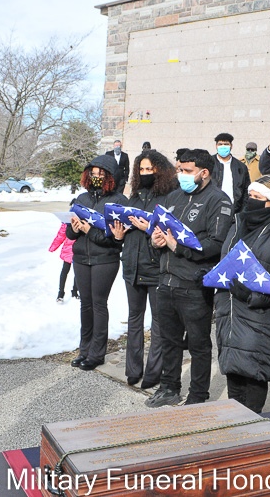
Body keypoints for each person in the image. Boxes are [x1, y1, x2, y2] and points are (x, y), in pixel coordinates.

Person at [146, 149, 233, 407]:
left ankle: (198, 394)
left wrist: (178, 247)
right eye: (179, 170)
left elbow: (216, 243)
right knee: (169, 341)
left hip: (193, 285)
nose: (181, 175)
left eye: (187, 171)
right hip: (166, 281)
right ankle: (169, 387)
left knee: (198, 345)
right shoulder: (174, 197)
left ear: (203, 173)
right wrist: (155, 241)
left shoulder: (218, 200)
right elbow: (161, 231)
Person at [214, 176, 270, 412]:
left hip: (260, 317)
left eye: (258, 198)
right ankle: (236, 429)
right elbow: (226, 260)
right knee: (234, 379)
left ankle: (252, 429)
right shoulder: (238, 223)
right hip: (230, 314)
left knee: (253, 379)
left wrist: (251, 295)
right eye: (250, 196)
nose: (251, 202)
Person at [109, 150, 177, 389]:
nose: (145, 173)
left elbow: (171, 234)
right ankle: (133, 369)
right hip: (132, 265)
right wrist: (119, 236)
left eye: (150, 169)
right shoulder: (134, 197)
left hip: (156, 266)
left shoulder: (168, 197)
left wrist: (148, 228)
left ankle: (153, 372)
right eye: (142, 169)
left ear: (160, 170)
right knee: (134, 318)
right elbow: (124, 230)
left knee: (158, 321)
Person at [66, 155, 127, 371]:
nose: (96, 176)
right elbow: (69, 234)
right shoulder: (82, 198)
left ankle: (96, 353)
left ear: (110, 176)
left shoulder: (119, 201)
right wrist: (75, 228)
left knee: (98, 304)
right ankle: (84, 349)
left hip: (105, 259)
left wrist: (88, 230)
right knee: (85, 304)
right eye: (93, 173)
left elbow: (114, 239)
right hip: (81, 258)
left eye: (101, 173)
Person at [211, 132, 250, 214]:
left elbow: (246, 191)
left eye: (226, 144)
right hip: (212, 208)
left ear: (231, 146)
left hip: (234, 210)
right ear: (216, 146)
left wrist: (242, 212)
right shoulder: (209, 163)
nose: (223, 146)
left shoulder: (241, 167)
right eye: (220, 144)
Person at [48, 221, 79, 303]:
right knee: (68, 271)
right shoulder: (68, 221)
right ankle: (63, 292)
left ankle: (72, 291)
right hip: (70, 250)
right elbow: (61, 235)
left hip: (77, 250)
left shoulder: (68, 221)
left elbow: (60, 235)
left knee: (76, 272)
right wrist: (53, 247)